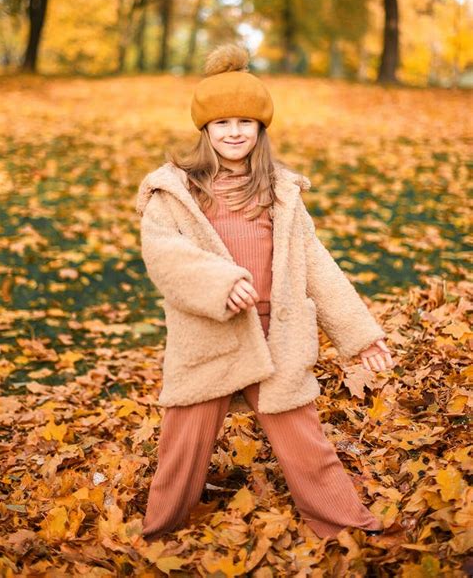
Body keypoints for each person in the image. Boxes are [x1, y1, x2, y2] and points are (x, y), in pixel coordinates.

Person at [135, 43, 395, 543]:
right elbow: (164, 256)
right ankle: (160, 533)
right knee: (183, 442)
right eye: (222, 123)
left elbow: (316, 266)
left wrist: (360, 337)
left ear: (261, 129)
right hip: (208, 335)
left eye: (246, 123)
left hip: (278, 333)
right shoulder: (176, 192)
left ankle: (348, 527)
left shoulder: (280, 193)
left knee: (305, 441)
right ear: (205, 130)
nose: (234, 132)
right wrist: (221, 282)